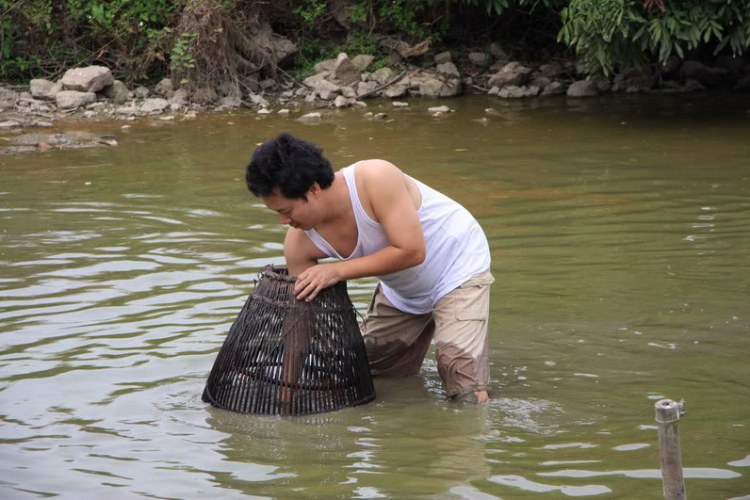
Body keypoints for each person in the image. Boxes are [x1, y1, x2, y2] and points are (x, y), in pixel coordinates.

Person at [245, 133, 494, 403]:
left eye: (288, 210)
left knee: (461, 384)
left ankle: (474, 426)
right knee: (369, 375)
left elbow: (411, 251)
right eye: (276, 213)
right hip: (403, 288)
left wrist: (335, 271)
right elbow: (300, 317)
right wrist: (288, 385)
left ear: (314, 189)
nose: (284, 221)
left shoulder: (375, 178)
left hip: (457, 267)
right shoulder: (299, 242)